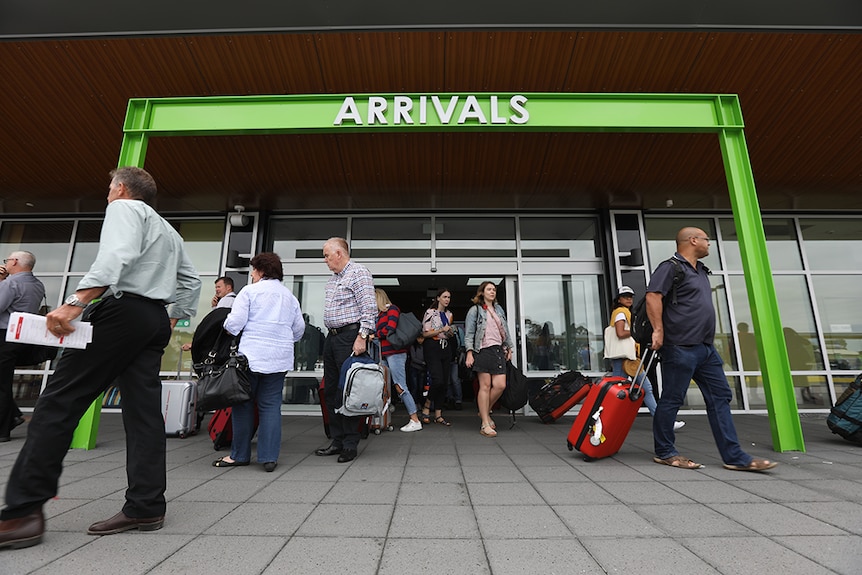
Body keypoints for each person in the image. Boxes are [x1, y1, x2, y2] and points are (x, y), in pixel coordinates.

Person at [0, 166, 201, 550]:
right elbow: (190, 281)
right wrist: (168, 318)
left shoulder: (125, 209)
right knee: (144, 414)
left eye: (109, 188)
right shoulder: (168, 230)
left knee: (59, 402)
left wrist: (75, 302)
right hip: (153, 319)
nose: (107, 195)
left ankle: (23, 512)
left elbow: (117, 254)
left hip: (121, 313)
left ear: (121, 188)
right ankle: (146, 505)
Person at [646, 227, 776, 472]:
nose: (709, 244)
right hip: (680, 347)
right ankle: (665, 452)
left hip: (705, 349)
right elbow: (653, 296)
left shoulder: (701, 271)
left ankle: (734, 456)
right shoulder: (671, 267)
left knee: (720, 397)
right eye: (707, 240)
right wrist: (658, 331)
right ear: (693, 240)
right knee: (672, 399)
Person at [213, 252, 305, 472]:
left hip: (250, 358)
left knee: (243, 404)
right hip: (279, 359)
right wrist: (281, 340)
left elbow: (234, 324)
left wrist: (224, 325)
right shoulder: (289, 296)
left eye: (253, 270)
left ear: (261, 271)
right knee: (271, 407)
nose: (252, 274)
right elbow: (299, 329)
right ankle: (269, 458)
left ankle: (240, 455)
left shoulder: (249, 292)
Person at [315, 237, 377, 463]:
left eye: (326, 255)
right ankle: (337, 440)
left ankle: (350, 444)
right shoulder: (333, 280)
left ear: (339, 253)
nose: (325, 260)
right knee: (331, 391)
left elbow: (369, 307)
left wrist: (362, 336)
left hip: (350, 338)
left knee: (350, 391)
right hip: (332, 339)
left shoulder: (358, 272)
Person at [607, 286, 684, 431]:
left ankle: (607, 420)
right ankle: (665, 423)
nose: (629, 299)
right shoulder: (621, 313)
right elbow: (620, 333)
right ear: (619, 299)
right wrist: (636, 332)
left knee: (616, 391)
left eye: (630, 296)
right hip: (627, 358)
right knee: (643, 388)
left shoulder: (623, 312)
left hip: (625, 358)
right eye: (625, 296)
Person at [0, 251, 46, 442]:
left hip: (4, 337)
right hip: (21, 337)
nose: (6, 263)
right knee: (2, 381)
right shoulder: (38, 285)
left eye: (7, 260)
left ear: (15, 262)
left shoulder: (11, 283)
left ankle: (3, 430)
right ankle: (14, 415)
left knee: (1, 385)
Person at [464, 281, 513, 437]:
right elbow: (469, 334)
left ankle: (483, 411)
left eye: (494, 289)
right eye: (489, 289)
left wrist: (509, 347)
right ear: (482, 292)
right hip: (482, 350)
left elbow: (505, 329)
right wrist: (469, 352)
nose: (492, 292)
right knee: (485, 386)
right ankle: (485, 423)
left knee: (500, 385)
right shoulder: (475, 311)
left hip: (498, 350)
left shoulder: (498, 309)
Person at [374, 288, 422, 432]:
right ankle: (385, 415)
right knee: (382, 386)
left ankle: (415, 419)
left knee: (400, 386)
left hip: (395, 353)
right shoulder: (379, 314)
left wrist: (374, 335)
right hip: (385, 354)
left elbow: (390, 329)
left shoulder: (392, 309)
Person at [419, 287, 455, 427]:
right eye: (445, 297)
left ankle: (438, 414)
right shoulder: (430, 312)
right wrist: (441, 330)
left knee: (445, 382)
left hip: (445, 347)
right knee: (437, 379)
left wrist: (450, 333)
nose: (447, 300)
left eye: (449, 297)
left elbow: (447, 332)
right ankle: (427, 405)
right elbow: (425, 334)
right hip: (432, 347)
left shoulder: (449, 314)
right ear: (438, 298)